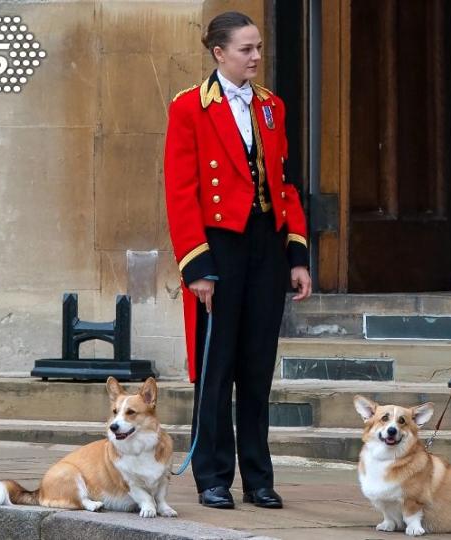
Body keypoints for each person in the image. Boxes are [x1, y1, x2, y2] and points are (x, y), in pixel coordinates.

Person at [163, 11, 312, 511]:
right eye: (246, 49)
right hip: (217, 249)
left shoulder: (271, 107)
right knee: (215, 365)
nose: (256, 57)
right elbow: (180, 193)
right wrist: (196, 267)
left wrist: (296, 254)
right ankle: (211, 475)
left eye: (259, 48)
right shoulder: (189, 107)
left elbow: (285, 184)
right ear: (219, 53)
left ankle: (259, 477)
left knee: (256, 366)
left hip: (265, 246)